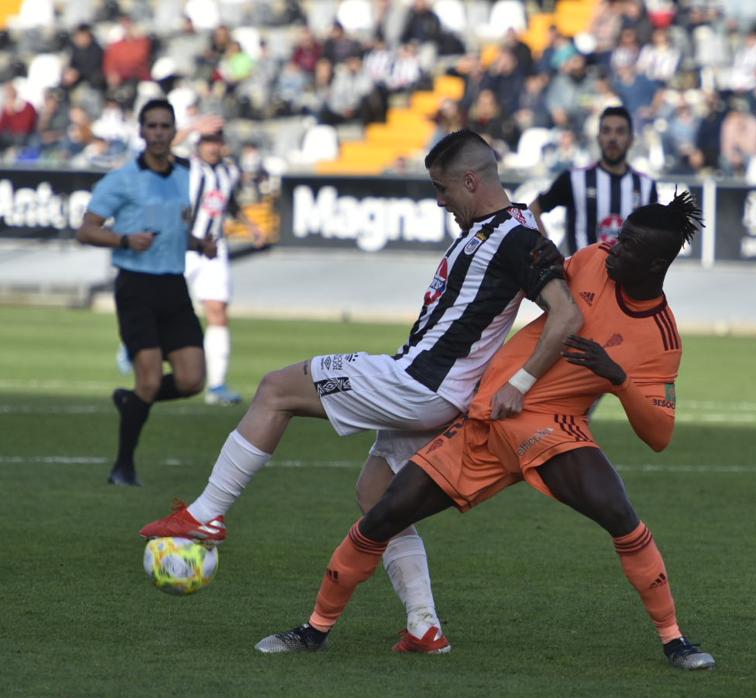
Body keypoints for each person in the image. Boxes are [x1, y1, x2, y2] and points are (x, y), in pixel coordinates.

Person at [141, 130, 580, 653]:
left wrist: (521, 383)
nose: (439, 201)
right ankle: (424, 627)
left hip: (418, 383)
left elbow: (567, 314)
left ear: (470, 180)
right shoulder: (503, 227)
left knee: (276, 388)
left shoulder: (515, 236)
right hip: (434, 389)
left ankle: (207, 513)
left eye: (442, 189)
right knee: (376, 498)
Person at [254, 193, 715, 671]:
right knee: (384, 514)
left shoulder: (661, 338)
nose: (614, 247)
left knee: (620, 514)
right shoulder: (594, 259)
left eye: (630, 244)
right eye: (619, 236)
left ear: (658, 261)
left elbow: (659, 434)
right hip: (487, 419)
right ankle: (314, 630)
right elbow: (551, 283)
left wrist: (618, 379)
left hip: (554, 428)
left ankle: (675, 640)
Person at [75, 99, 217, 486]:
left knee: (192, 380)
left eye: (164, 126)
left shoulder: (183, 175)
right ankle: (123, 466)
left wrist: (197, 243)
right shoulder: (122, 179)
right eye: (151, 126)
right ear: (141, 132)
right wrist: (123, 238)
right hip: (136, 286)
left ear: (174, 132)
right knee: (151, 379)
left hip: (172, 285)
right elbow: (86, 229)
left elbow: (169, 228)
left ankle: (132, 400)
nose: (157, 133)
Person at [183, 124, 266, 404]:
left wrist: (251, 226)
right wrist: (191, 126)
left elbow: (228, 204)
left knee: (218, 311)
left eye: (216, 140)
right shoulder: (187, 167)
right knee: (163, 305)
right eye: (207, 140)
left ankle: (216, 384)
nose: (212, 146)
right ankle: (133, 346)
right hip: (181, 246)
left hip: (214, 248)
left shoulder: (228, 171)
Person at [530, 106, 658, 255]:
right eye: (606, 131)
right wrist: (549, 253)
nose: (612, 138)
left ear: (631, 140)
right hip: (580, 277)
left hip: (630, 277)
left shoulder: (646, 186)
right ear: (598, 137)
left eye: (620, 131)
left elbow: (654, 237)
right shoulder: (573, 179)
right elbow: (532, 211)